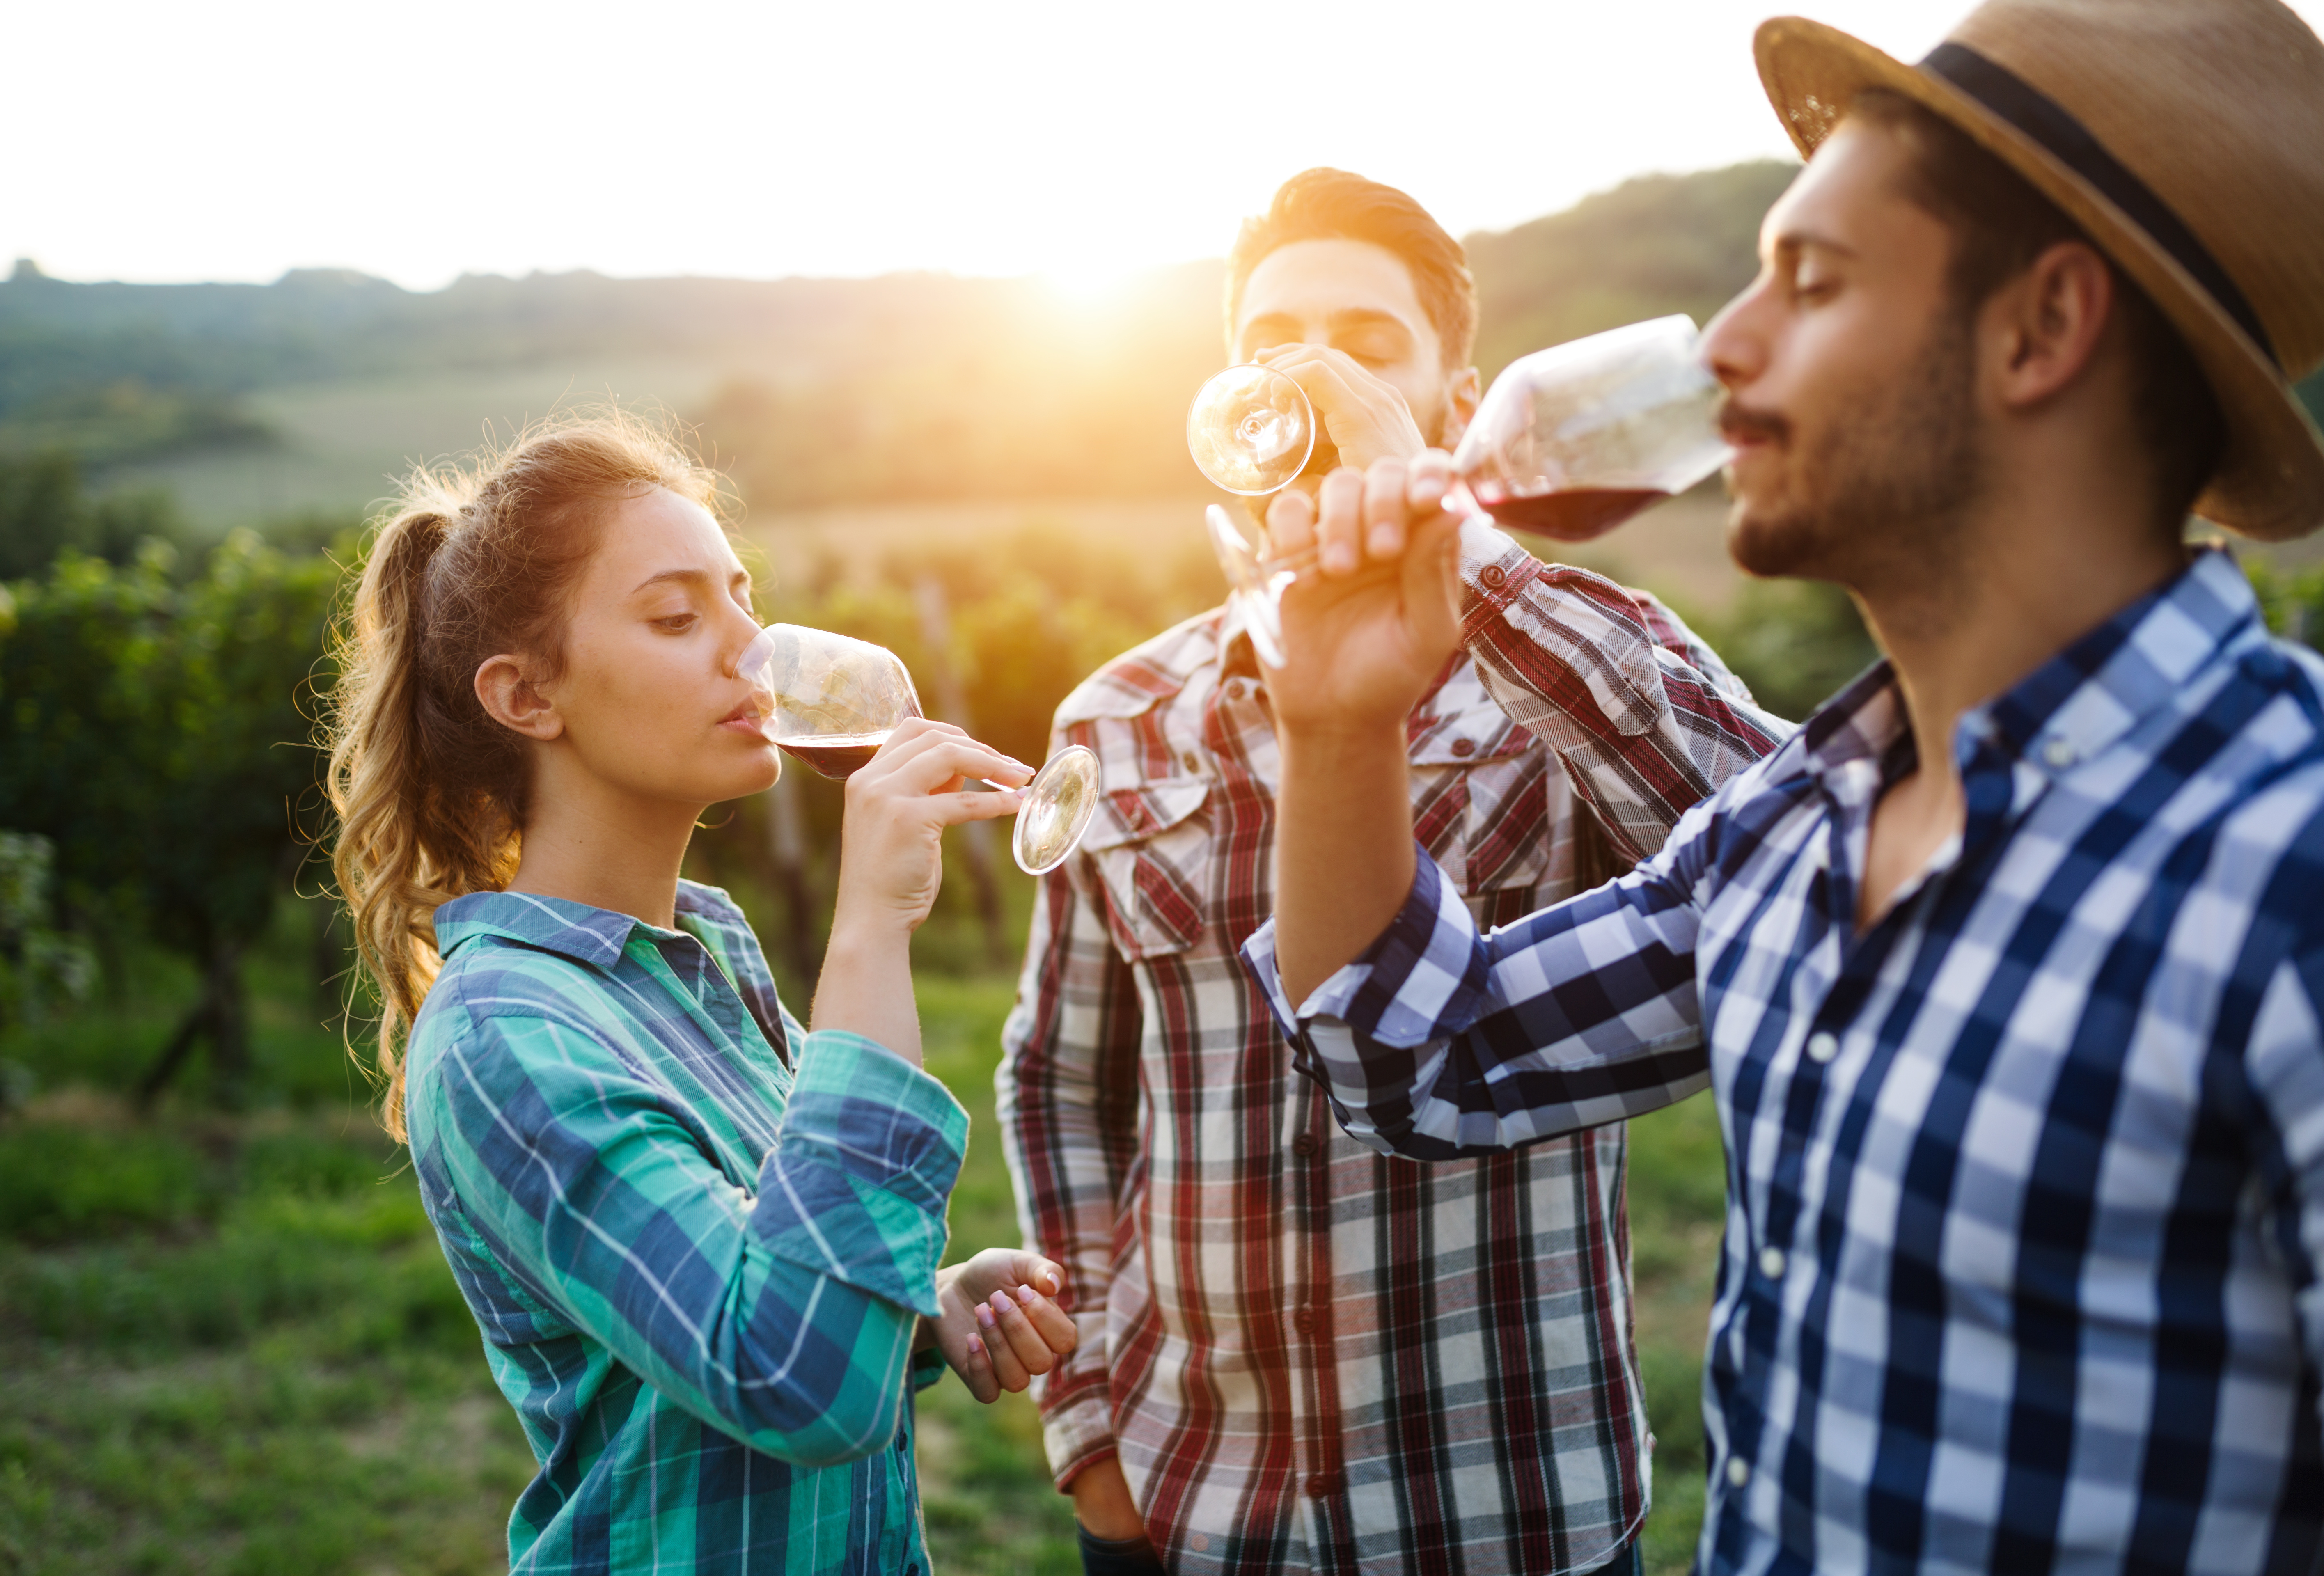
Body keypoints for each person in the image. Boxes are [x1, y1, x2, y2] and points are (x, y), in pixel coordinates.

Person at [1247, 2, 2324, 1571]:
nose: (1726, 345)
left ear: (2043, 330)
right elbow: (1421, 1062)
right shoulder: (1792, 824)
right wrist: (1342, 728)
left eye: (1809, 281)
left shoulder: (2290, 865)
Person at [998, 170, 1786, 1576]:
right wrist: (1092, 1429)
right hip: (1190, 1501)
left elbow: (1802, 854)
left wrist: (1455, 542)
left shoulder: (1558, 673)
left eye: (1364, 344)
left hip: (1509, 1506)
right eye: (1268, 341)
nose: (1305, 372)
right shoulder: (1113, 722)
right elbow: (1061, 1080)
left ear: (1450, 397)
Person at [325, 416, 1079, 1574]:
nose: (754, 653)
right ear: (527, 696)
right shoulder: (505, 1037)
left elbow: (761, 1259)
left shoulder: (706, 952)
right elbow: (798, 1382)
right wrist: (873, 925)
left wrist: (925, 1305)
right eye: (678, 618)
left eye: (742, 601)